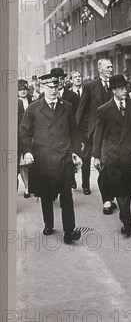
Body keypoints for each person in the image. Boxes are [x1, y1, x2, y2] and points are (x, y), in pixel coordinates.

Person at [19, 72, 83, 244]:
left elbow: (74, 131)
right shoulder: (33, 108)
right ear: (41, 88)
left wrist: (76, 152)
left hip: (64, 156)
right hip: (43, 157)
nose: (53, 90)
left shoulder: (67, 106)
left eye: (56, 86)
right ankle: (48, 224)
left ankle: (69, 230)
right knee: (46, 194)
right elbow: (24, 132)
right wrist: (27, 151)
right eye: (49, 87)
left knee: (66, 194)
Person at [92, 74, 131, 237]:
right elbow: (98, 134)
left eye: (124, 87)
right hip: (114, 154)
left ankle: (124, 212)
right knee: (120, 189)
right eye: (119, 88)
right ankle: (127, 222)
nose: (123, 90)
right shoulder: (104, 109)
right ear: (112, 90)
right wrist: (96, 155)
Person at [76, 58, 115, 205]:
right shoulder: (90, 87)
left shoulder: (116, 84)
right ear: (99, 69)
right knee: (99, 163)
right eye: (107, 67)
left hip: (113, 131)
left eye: (111, 67)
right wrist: (75, 132)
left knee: (112, 164)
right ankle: (107, 199)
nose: (110, 70)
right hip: (96, 131)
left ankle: (111, 195)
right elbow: (81, 111)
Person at [17, 79, 33, 198]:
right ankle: (27, 187)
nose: (22, 92)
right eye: (20, 89)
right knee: (22, 164)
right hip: (19, 134)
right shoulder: (14, 102)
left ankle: (33, 185)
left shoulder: (32, 100)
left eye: (24, 89)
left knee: (32, 161)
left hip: (32, 133)